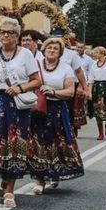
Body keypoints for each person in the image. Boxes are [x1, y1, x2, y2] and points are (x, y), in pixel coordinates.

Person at [0, 18, 42, 208]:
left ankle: (9, 189)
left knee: (14, 143)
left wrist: (20, 88)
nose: (6, 35)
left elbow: (36, 80)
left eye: (11, 33)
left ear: (17, 36)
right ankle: (5, 180)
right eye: (3, 32)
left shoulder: (26, 55)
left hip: (16, 104)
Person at [30, 37, 85, 192]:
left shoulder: (66, 68)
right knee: (39, 142)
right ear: (44, 50)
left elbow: (70, 91)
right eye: (49, 48)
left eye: (55, 49)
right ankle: (40, 180)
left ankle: (54, 173)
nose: (52, 51)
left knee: (57, 142)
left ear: (60, 53)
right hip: (38, 109)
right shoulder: (35, 66)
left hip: (57, 109)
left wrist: (53, 91)